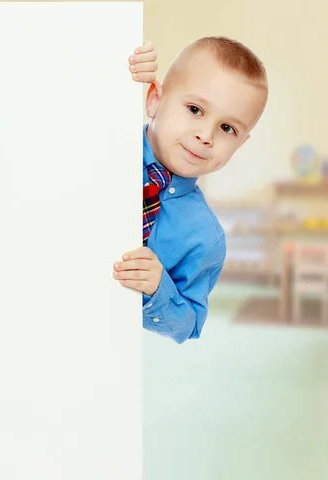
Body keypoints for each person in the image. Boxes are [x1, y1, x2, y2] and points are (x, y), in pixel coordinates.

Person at [112, 37, 268, 344]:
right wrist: (119, 65)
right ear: (155, 98)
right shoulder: (108, 141)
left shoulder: (206, 238)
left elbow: (189, 324)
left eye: (227, 129)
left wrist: (159, 288)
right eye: (195, 109)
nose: (206, 135)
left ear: (241, 142)